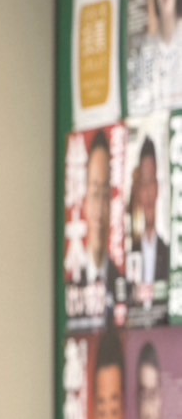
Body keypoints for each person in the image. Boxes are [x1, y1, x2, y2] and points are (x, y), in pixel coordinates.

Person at [80, 130, 124, 320]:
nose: (99, 208)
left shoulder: (122, 283)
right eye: (95, 193)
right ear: (84, 201)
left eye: (106, 195)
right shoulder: (71, 281)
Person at [131, 137, 170, 292]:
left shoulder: (168, 253)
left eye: (151, 183)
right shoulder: (130, 252)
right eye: (143, 184)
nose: (147, 193)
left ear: (158, 188)